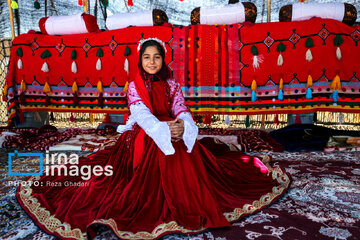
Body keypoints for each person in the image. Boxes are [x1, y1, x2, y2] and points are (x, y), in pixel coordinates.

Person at [17, 38, 291, 240]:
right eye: (146, 57)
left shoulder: (172, 84)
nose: (151, 61)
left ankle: (190, 197)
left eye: (156, 57)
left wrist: (182, 127)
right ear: (140, 61)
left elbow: (181, 108)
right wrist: (163, 130)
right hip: (147, 132)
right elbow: (143, 115)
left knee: (189, 153)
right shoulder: (134, 86)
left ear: (163, 59)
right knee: (152, 155)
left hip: (173, 127)